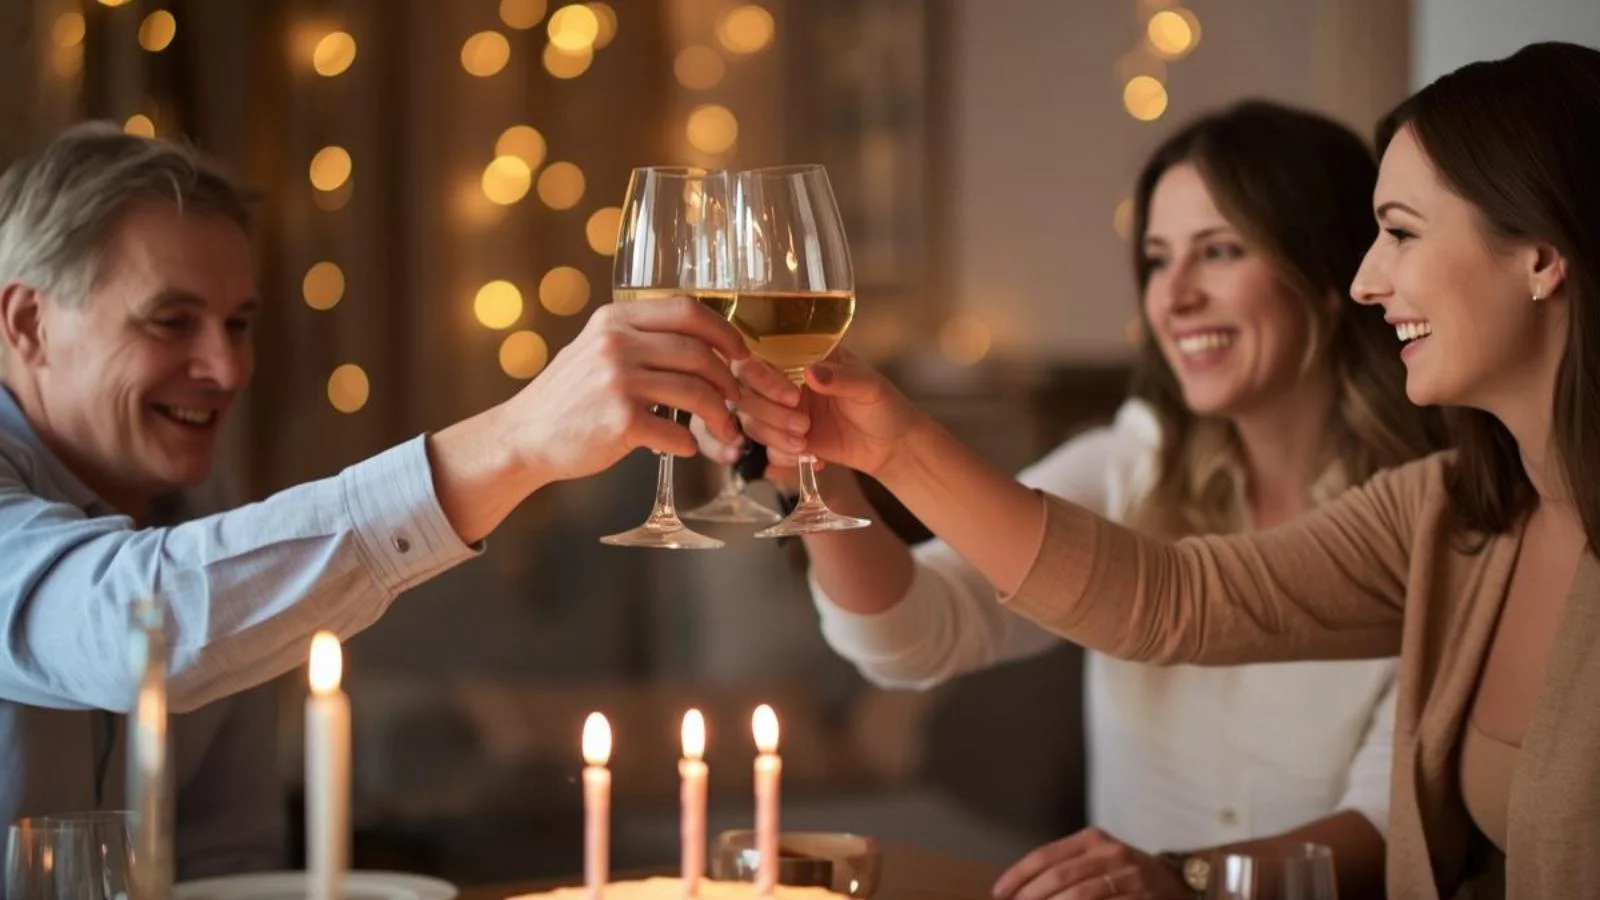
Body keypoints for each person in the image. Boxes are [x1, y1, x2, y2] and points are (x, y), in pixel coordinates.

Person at [729, 41, 1600, 897]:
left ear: (1540, 256)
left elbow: (1388, 826)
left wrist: (1182, 878)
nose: (1372, 279)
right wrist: (862, 457)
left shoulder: (1432, 506)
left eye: (1220, 250)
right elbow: (1169, 601)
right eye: (1156, 259)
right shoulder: (1454, 512)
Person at [0, 123, 747, 879]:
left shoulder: (198, 500)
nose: (225, 368)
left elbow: (226, 861)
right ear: (29, 322)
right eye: (171, 321)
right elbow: (131, 629)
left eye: (238, 325)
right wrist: (514, 441)